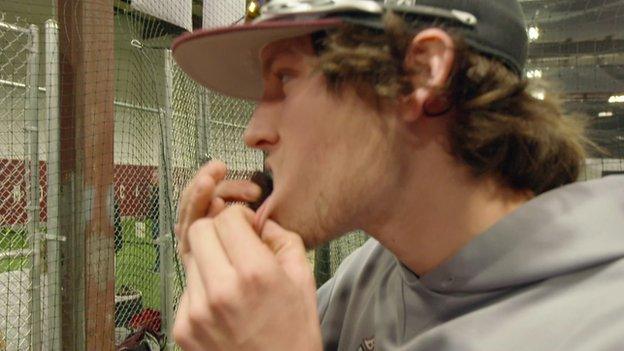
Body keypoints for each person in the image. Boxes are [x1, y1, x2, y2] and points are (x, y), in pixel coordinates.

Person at [170, 0, 624, 350]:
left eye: (285, 79)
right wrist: (229, 313)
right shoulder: (366, 280)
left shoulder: (603, 324)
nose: (254, 133)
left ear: (419, 74)